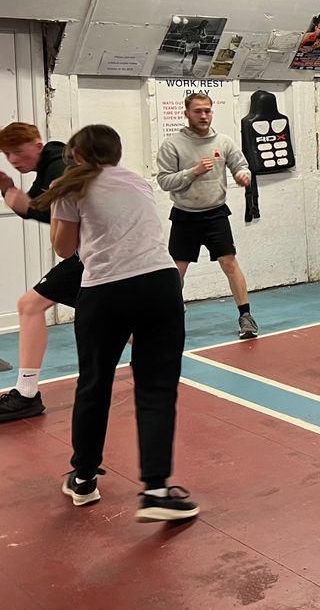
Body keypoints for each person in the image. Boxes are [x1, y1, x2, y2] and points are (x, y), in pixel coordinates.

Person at [31, 124, 199, 520]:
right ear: (117, 154)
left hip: (104, 291)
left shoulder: (69, 186)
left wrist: (58, 206)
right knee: (157, 388)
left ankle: (84, 479)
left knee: (94, 384)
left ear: (76, 155)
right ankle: (157, 490)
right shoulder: (138, 181)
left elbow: (65, 249)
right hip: (161, 285)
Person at [0, 123, 84, 423]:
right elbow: (39, 209)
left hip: (91, 254)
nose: (13, 159)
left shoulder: (58, 165)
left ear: (37, 144)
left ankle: (26, 394)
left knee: (29, 305)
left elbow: (52, 213)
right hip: (95, 254)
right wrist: (9, 190)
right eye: (8, 155)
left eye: (18, 152)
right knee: (101, 314)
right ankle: (159, 361)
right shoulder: (52, 163)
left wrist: (11, 192)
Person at [155, 93, 257, 338]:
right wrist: (193, 172)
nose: (203, 116)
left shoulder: (223, 142)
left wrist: (244, 175)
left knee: (229, 263)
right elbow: (164, 181)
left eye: (207, 111)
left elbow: (241, 165)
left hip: (215, 215)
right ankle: (170, 317)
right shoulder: (172, 144)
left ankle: (246, 316)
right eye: (198, 111)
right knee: (175, 272)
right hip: (184, 216)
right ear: (187, 113)